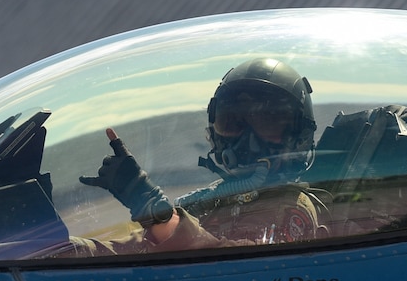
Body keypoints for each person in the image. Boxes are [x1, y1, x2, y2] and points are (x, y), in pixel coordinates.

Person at [71, 58, 328, 254]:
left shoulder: (292, 205)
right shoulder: (216, 198)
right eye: (232, 121)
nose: (245, 138)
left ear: (297, 134)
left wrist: (150, 206)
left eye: (267, 121)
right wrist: (64, 248)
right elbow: (143, 249)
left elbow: (242, 272)